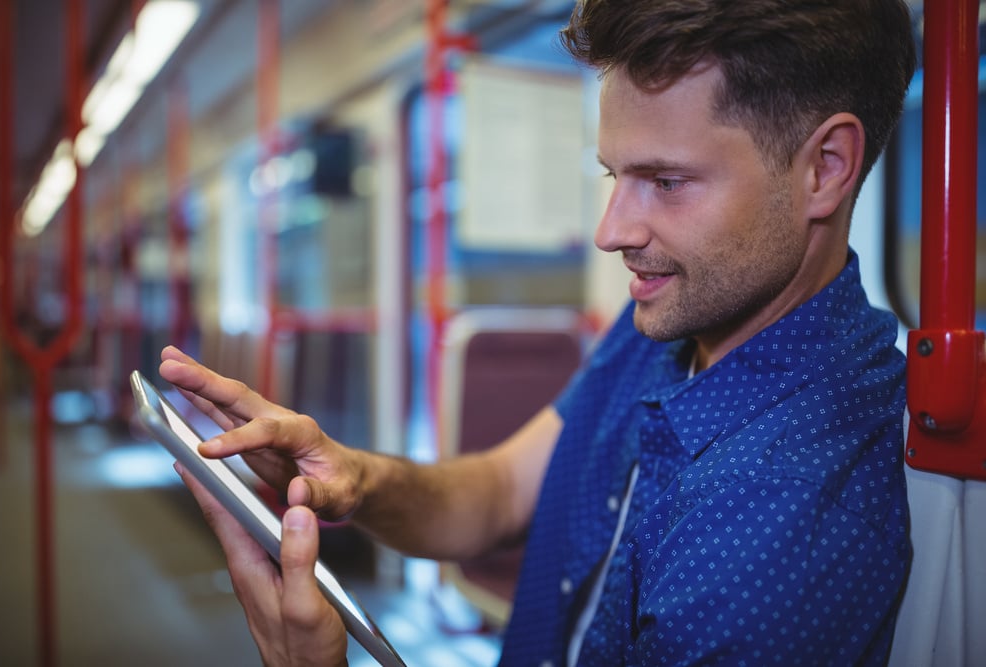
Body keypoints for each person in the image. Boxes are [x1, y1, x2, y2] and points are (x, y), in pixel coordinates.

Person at [160, 0, 917, 664]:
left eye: (667, 181)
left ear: (825, 167)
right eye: (614, 176)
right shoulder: (673, 321)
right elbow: (497, 492)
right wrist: (353, 476)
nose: (611, 230)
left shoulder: (777, 538)